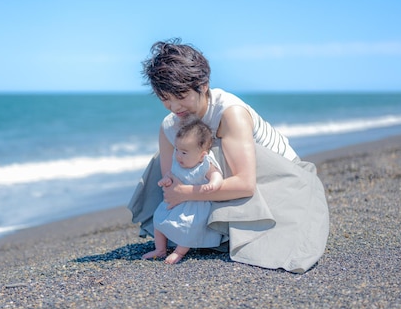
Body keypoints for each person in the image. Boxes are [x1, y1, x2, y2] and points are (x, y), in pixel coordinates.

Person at [128, 38, 329, 273]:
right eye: (165, 99)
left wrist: (185, 193)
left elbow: (245, 184)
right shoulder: (170, 126)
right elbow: (171, 184)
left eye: (180, 96)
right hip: (219, 185)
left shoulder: (230, 112)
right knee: (178, 155)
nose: (174, 107)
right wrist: (175, 193)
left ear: (203, 86)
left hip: (282, 179)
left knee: (214, 154)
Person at [142, 117, 224, 264]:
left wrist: (213, 183)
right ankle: (160, 249)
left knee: (188, 227)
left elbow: (216, 174)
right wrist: (166, 179)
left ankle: (179, 252)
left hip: (195, 206)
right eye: (177, 149)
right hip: (176, 203)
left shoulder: (204, 165)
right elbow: (171, 174)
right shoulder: (178, 160)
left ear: (201, 155)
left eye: (184, 152)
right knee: (158, 219)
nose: (178, 155)